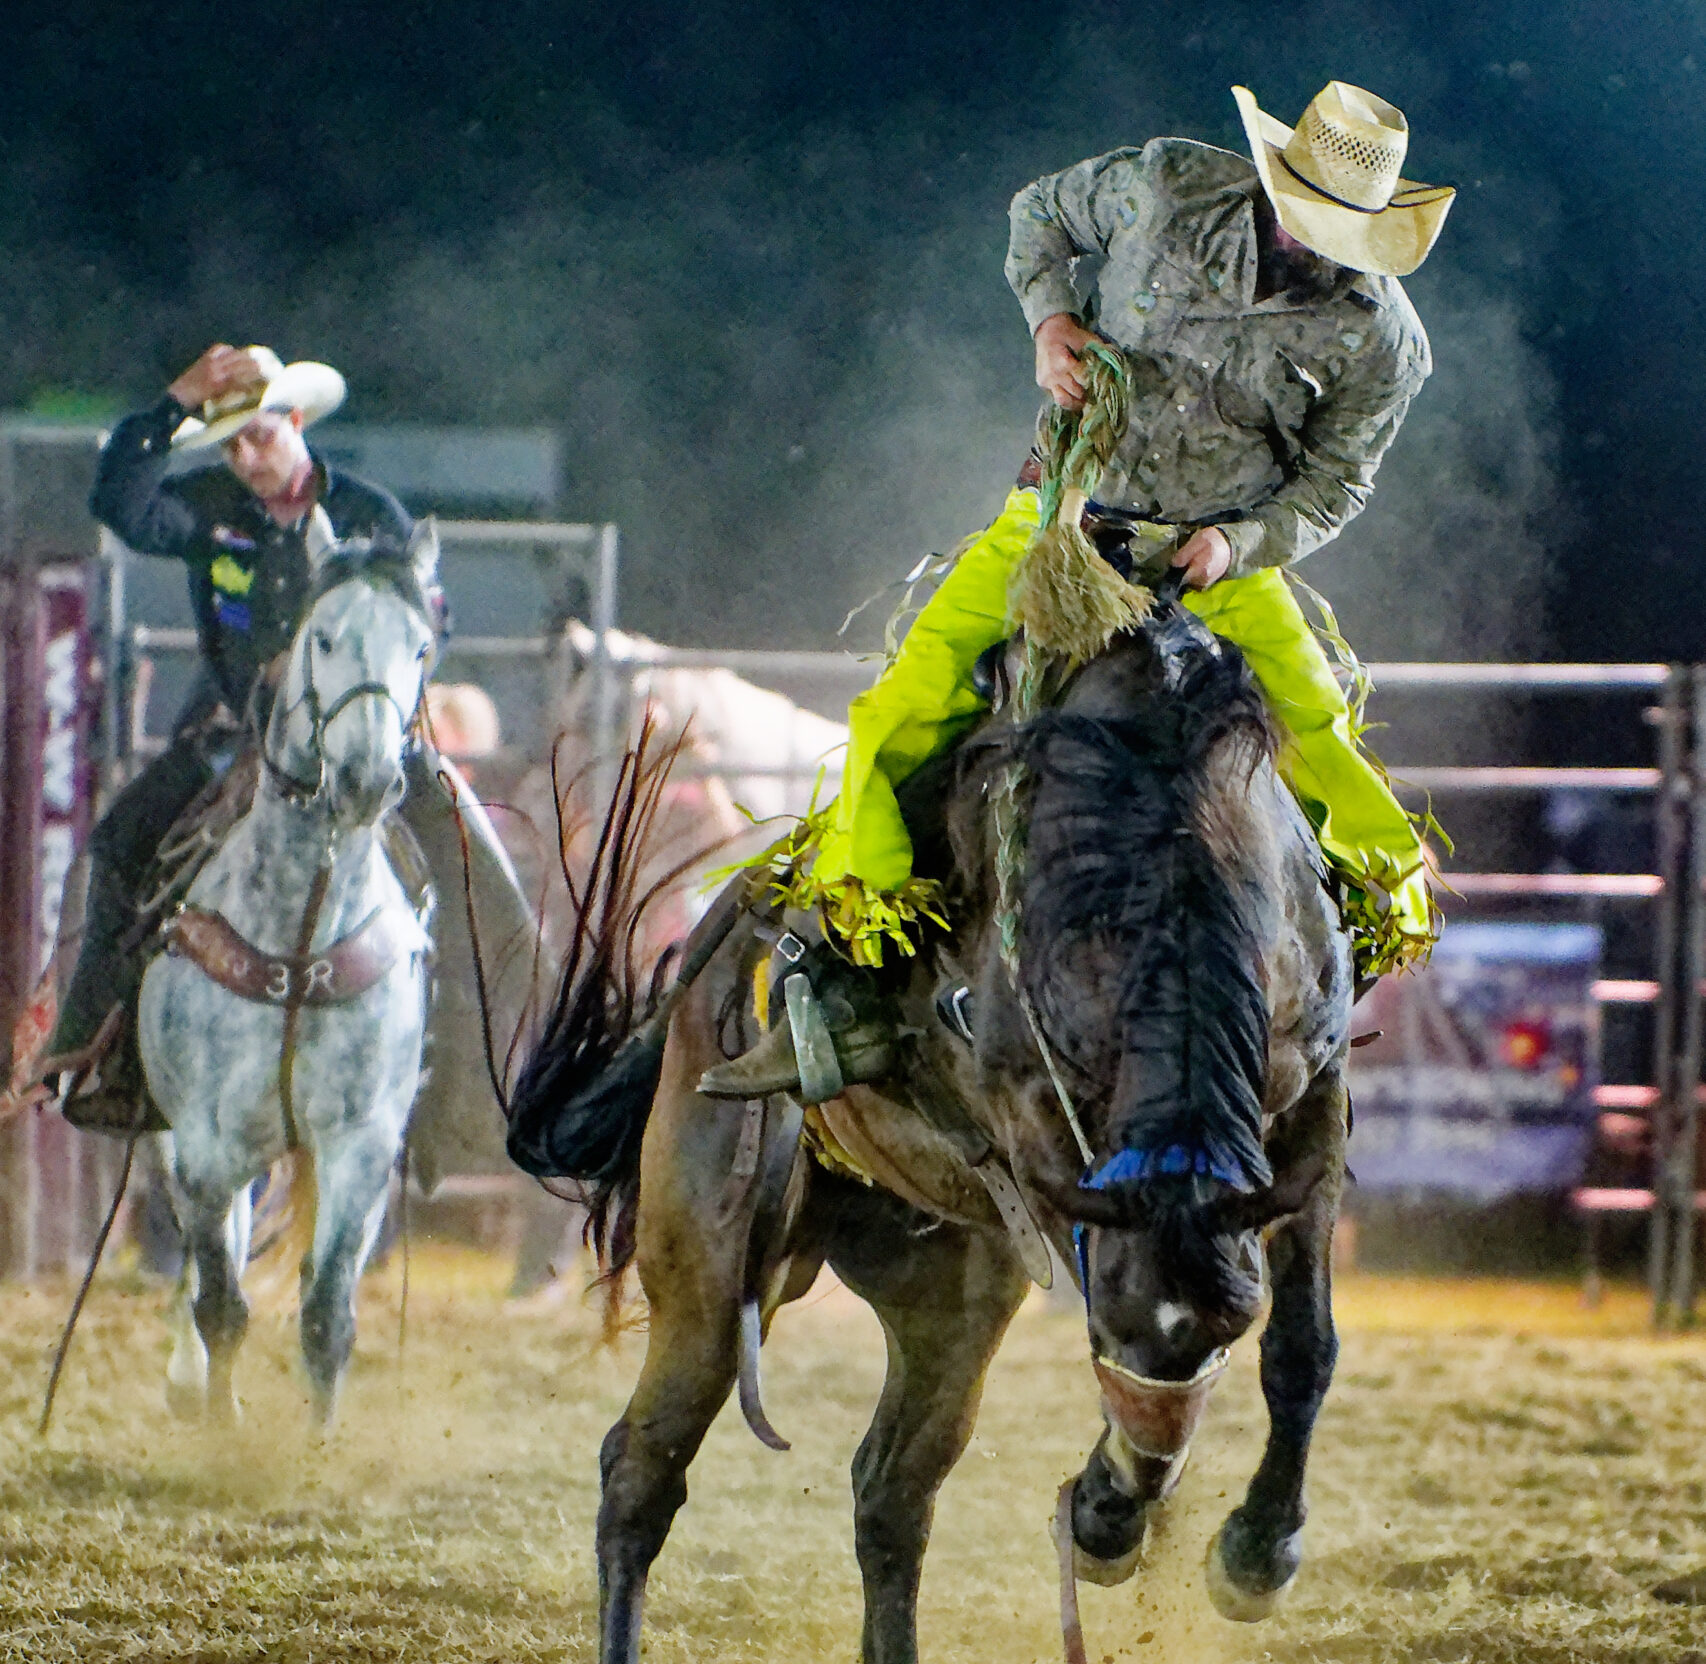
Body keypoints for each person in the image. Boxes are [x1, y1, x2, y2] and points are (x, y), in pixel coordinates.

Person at [706, 80, 1456, 1102]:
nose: (1313, 246)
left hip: (1214, 564)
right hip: (1058, 525)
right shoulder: (1163, 186)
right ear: (1275, 182)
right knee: (901, 708)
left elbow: (1335, 485)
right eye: (1306, 216)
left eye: (1338, 232)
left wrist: (1237, 545)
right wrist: (1048, 321)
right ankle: (854, 985)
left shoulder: (1381, 341)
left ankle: (1335, 980)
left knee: (1320, 738)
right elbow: (1039, 215)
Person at [45, 343, 533, 1184]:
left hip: (370, 738)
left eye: (259, 437)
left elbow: (429, 627)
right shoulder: (208, 508)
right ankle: (94, 1051)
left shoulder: (373, 515)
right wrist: (175, 403)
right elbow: (117, 502)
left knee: (486, 884)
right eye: (228, 443)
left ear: (297, 423)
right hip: (234, 732)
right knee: (120, 846)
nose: (244, 457)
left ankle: (477, 1099)